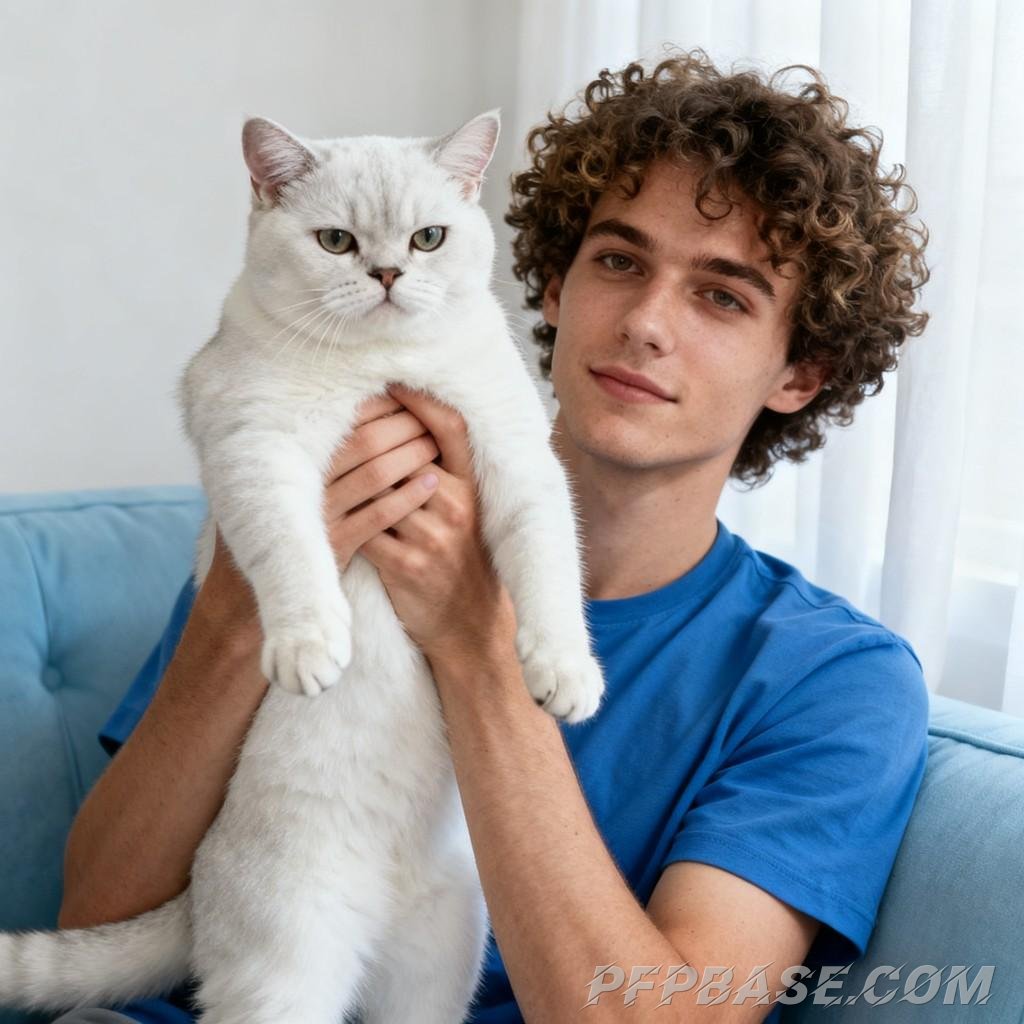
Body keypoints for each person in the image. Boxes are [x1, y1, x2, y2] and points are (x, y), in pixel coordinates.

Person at [55, 49, 931, 1023]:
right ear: (552, 287)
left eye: (721, 295)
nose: (644, 321)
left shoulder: (831, 680)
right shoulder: (307, 504)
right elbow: (95, 910)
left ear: (798, 376)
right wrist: (234, 613)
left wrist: (476, 641)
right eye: (617, 261)